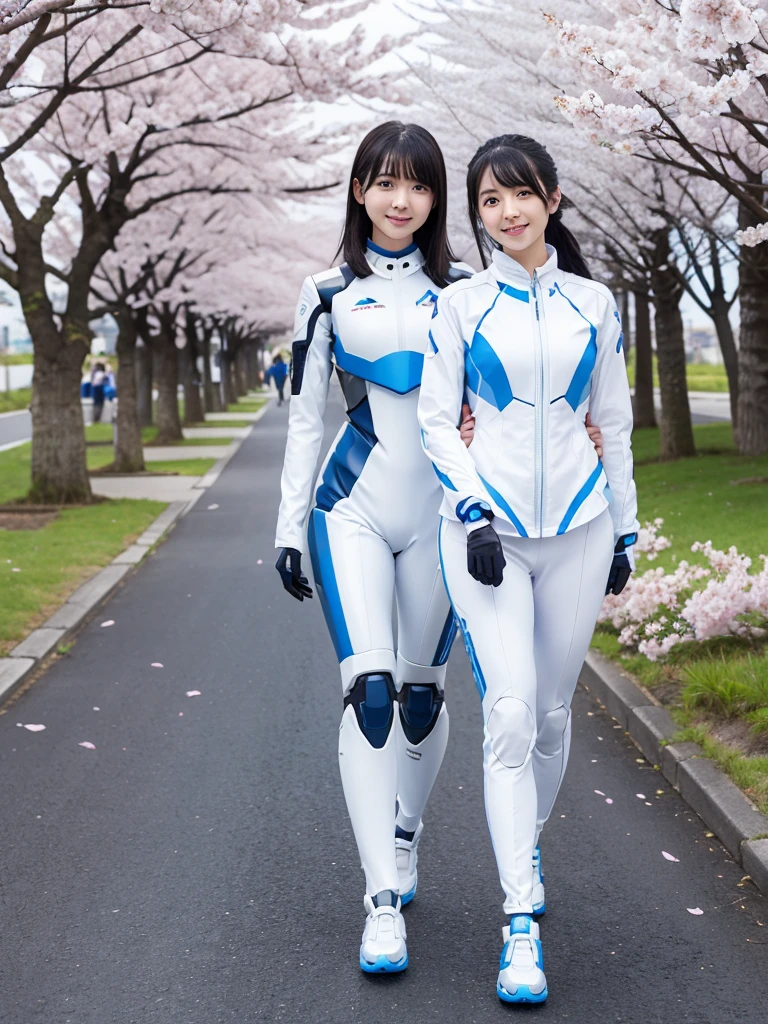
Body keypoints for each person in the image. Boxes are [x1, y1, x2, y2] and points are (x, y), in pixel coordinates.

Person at [273, 122, 604, 976]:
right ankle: (381, 901)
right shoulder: (324, 294)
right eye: (383, 183)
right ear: (358, 192)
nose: (399, 200)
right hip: (349, 507)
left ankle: (405, 836)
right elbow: (307, 418)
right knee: (371, 694)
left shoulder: (464, 291)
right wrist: (286, 531)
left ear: (435, 200)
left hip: (446, 520)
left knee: (421, 699)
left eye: (417, 186)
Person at [418, 134, 638, 1004]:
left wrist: (624, 529)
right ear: (476, 215)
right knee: (507, 714)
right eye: (488, 201)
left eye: (519, 195)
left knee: (549, 715)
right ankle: (518, 921)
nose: (506, 212)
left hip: (581, 527)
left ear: (551, 198)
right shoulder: (459, 305)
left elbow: (611, 421)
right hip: (486, 534)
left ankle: (525, 840)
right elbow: (440, 422)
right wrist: (471, 508)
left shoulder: (597, 303)